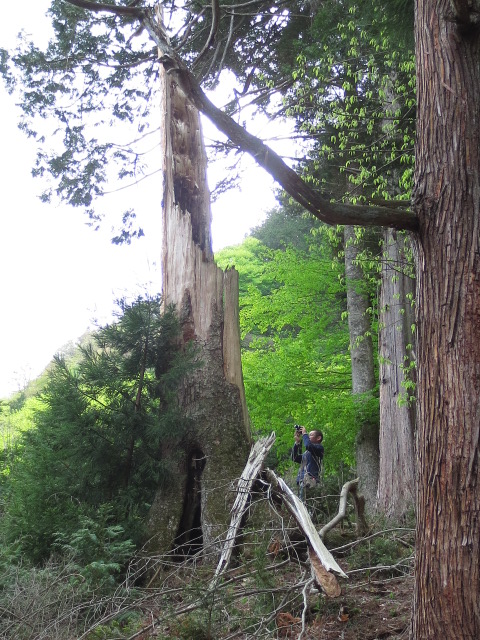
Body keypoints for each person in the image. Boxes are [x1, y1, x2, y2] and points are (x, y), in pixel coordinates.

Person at [291, 426, 324, 500]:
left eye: (311, 435)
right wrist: (297, 442)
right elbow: (294, 458)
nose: (308, 437)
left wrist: (304, 434)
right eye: (308, 435)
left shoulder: (319, 448)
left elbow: (308, 446)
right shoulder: (307, 453)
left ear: (318, 438)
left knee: (306, 505)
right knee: (299, 504)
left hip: (310, 480)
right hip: (301, 481)